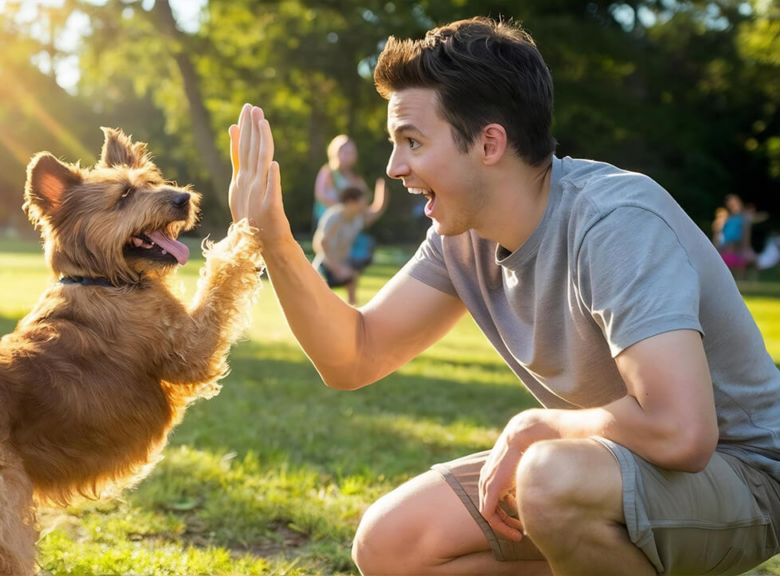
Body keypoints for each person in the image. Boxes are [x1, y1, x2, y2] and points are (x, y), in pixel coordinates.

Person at [227, 17, 780, 576]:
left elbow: (682, 431)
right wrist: (273, 238)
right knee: (390, 547)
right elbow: (354, 355)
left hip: (744, 473)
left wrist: (536, 426)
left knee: (547, 477)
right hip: (608, 469)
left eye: (412, 142)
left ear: (489, 142)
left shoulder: (613, 223)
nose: (395, 168)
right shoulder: (460, 238)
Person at [312, 181, 388, 305]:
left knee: (352, 288)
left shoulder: (357, 219)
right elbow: (322, 243)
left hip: (343, 263)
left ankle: (354, 316)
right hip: (325, 265)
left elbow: (376, 211)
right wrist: (337, 268)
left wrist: (382, 190)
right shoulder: (334, 217)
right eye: (363, 201)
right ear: (352, 202)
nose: (365, 205)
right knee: (319, 302)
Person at [314, 135, 369, 227]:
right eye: (343, 151)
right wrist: (341, 209)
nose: (346, 155)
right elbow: (320, 195)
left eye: (350, 152)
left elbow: (364, 197)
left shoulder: (355, 177)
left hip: (347, 221)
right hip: (326, 220)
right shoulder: (328, 172)